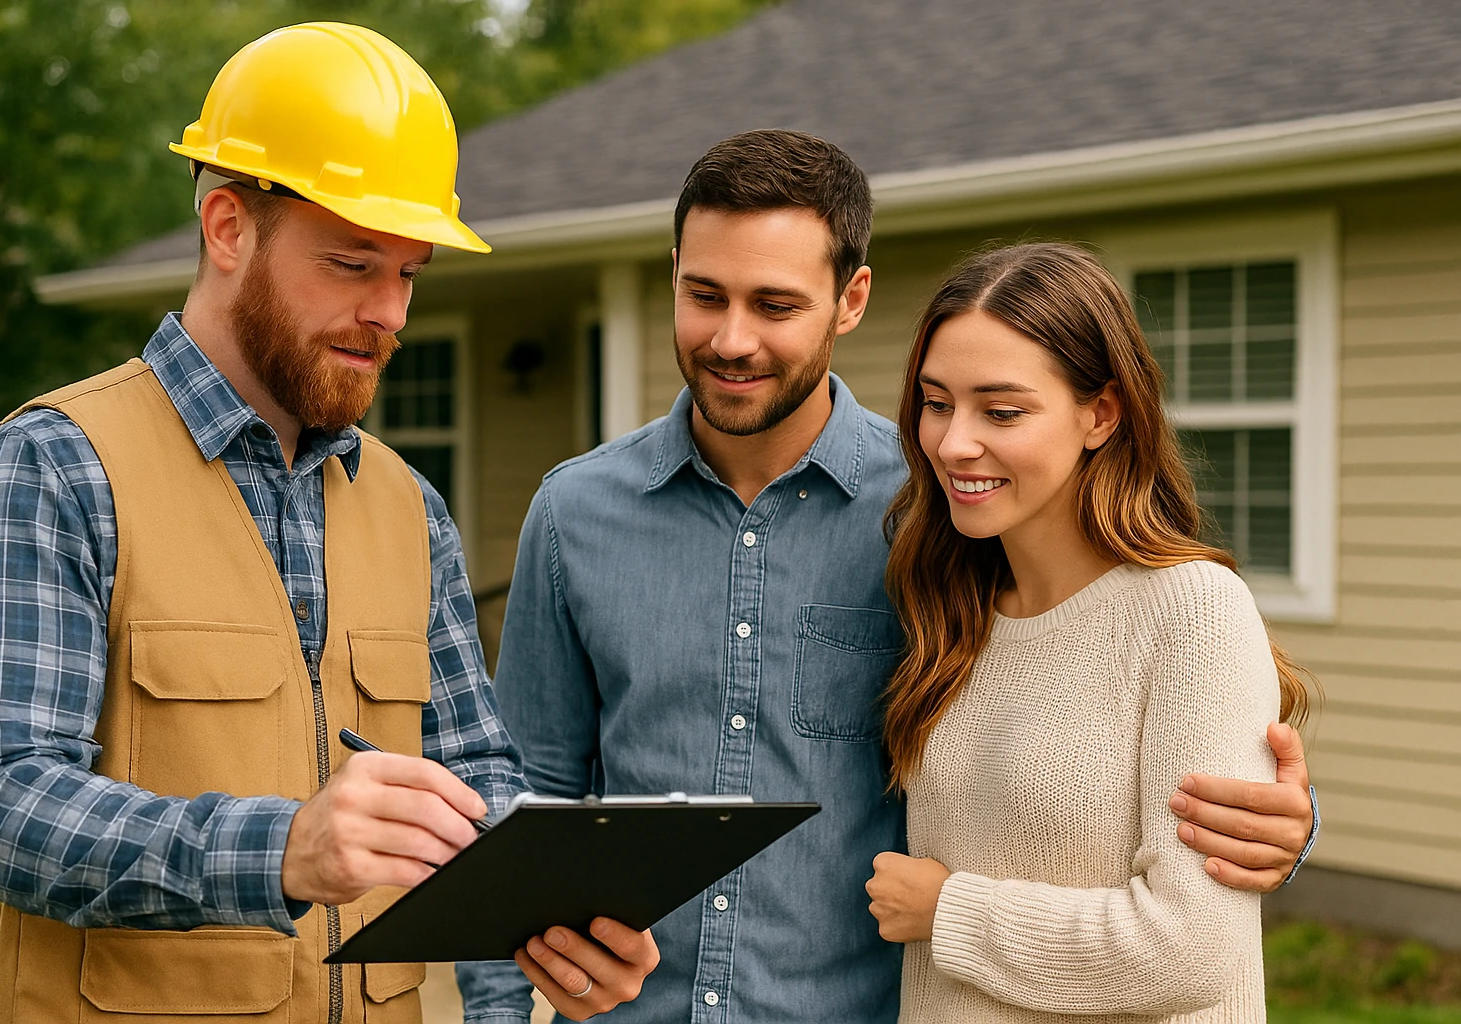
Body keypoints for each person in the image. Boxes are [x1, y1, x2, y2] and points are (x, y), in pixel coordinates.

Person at [458, 131, 1319, 1024]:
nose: (731, 338)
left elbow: (1100, 684)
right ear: (673, 273)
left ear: (850, 298)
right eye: (703, 294)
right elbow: (525, 795)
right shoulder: (575, 513)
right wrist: (495, 1010)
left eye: (776, 303)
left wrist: (1279, 823)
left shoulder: (941, 511)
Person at [0, 23, 655, 1024]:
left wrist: (551, 921)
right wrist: (279, 849)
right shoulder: (54, 466)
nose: (392, 313)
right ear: (228, 227)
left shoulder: (409, 507)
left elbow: (475, 779)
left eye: (408, 274)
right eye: (355, 264)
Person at [864, 242, 1315, 1022]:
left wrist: (951, 912)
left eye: (1002, 411)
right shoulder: (950, 610)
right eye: (937, 403)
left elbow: (1192, 949)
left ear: (1100, 414)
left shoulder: (1192, 611)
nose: (953, 442)